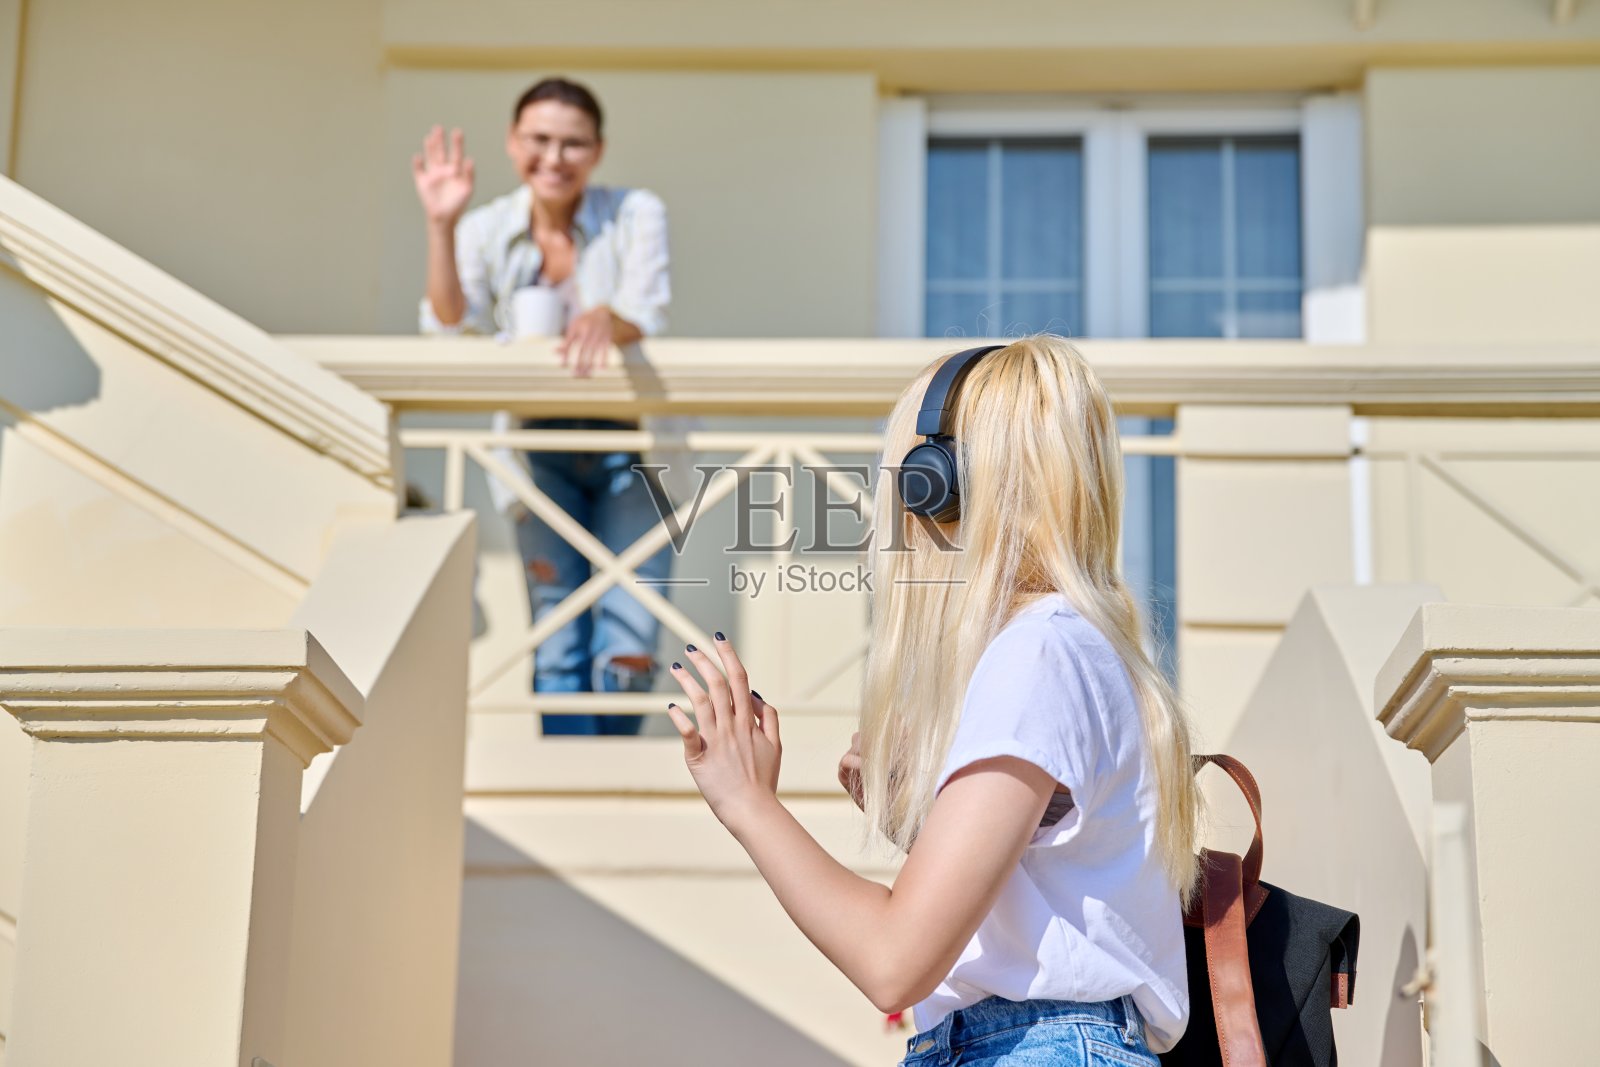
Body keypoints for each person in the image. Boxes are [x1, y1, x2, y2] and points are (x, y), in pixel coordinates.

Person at [662, 336, 1200, 1065]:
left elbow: (894, 959)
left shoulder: (1038, 651)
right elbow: (1049, 907)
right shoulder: (1072, 646)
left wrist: (748, 803)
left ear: (936, 486)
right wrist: (920, 820)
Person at [412, 77, 672, 735]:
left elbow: (647, 310)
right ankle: (574, 777)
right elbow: (447, 323)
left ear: (598, 149)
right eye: (539, 140)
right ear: (512, 141)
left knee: (630, 640)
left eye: (573, 143)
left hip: (632, 448)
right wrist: (440, 226)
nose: (554, 157)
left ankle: (610, 782)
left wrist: (607, 318)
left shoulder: (636, 211)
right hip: (536, 451)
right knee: (557, 633)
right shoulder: (485, 226)